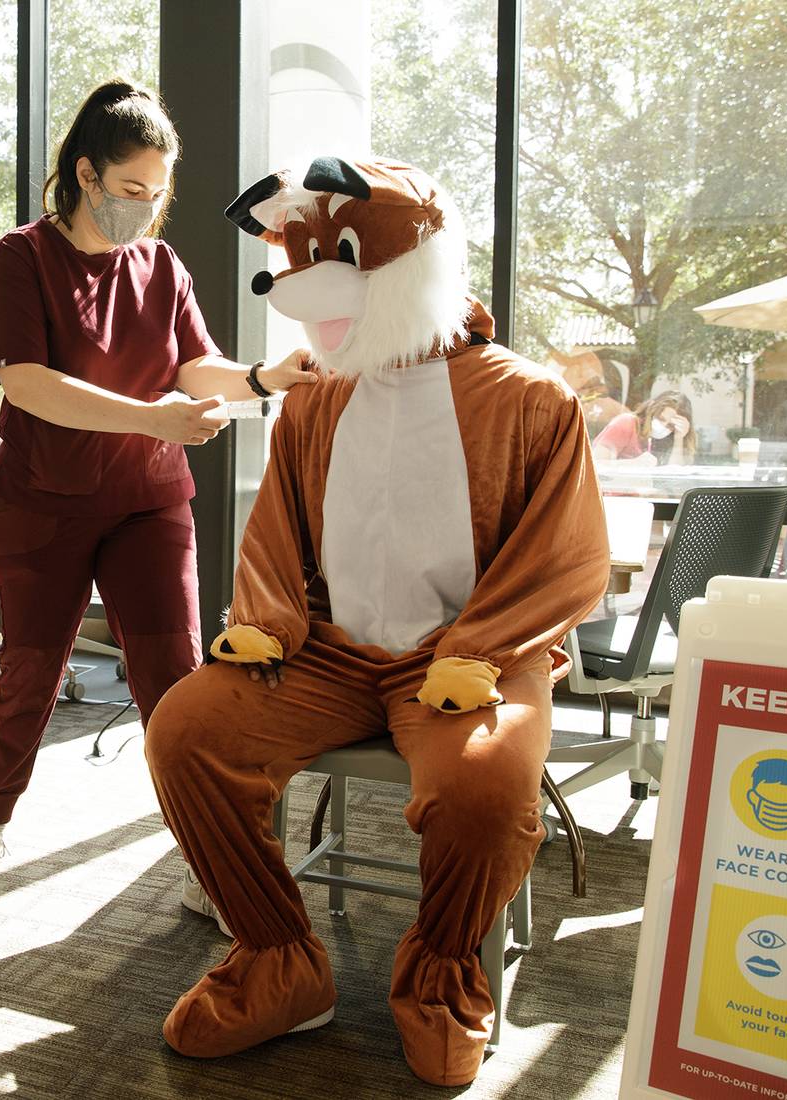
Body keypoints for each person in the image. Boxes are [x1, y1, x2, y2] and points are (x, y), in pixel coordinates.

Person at [144, 157, 610, 1085]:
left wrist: (479, 650)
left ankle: (440, 979)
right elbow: (276, 527)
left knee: (482, 788)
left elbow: (565, 554)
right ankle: (278, 959)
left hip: (467, 658)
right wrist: (267, 620)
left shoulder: (528, 399)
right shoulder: (318, 396)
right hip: (325, 652)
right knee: (186, 729)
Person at [0, 79, 317, 892]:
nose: (146, 207)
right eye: (130, 190)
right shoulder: (19, 258)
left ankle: (204, 854)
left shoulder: (160, 264)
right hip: (41, 503)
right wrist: (154, 419)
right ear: (85, 175)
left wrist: (263, 376)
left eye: (158, 192)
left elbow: (194, 368)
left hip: (147, 502)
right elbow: (30, 384)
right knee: (28, 676)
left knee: (174, 683)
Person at [593, 390, 696, 465]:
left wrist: (679, 439)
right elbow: (597, 464)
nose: (663, 427)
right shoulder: (627, 423)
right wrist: (634, 464)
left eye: (670, 425)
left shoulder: (671, 438)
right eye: (661, 419)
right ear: (651, 408)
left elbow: (675, 476)